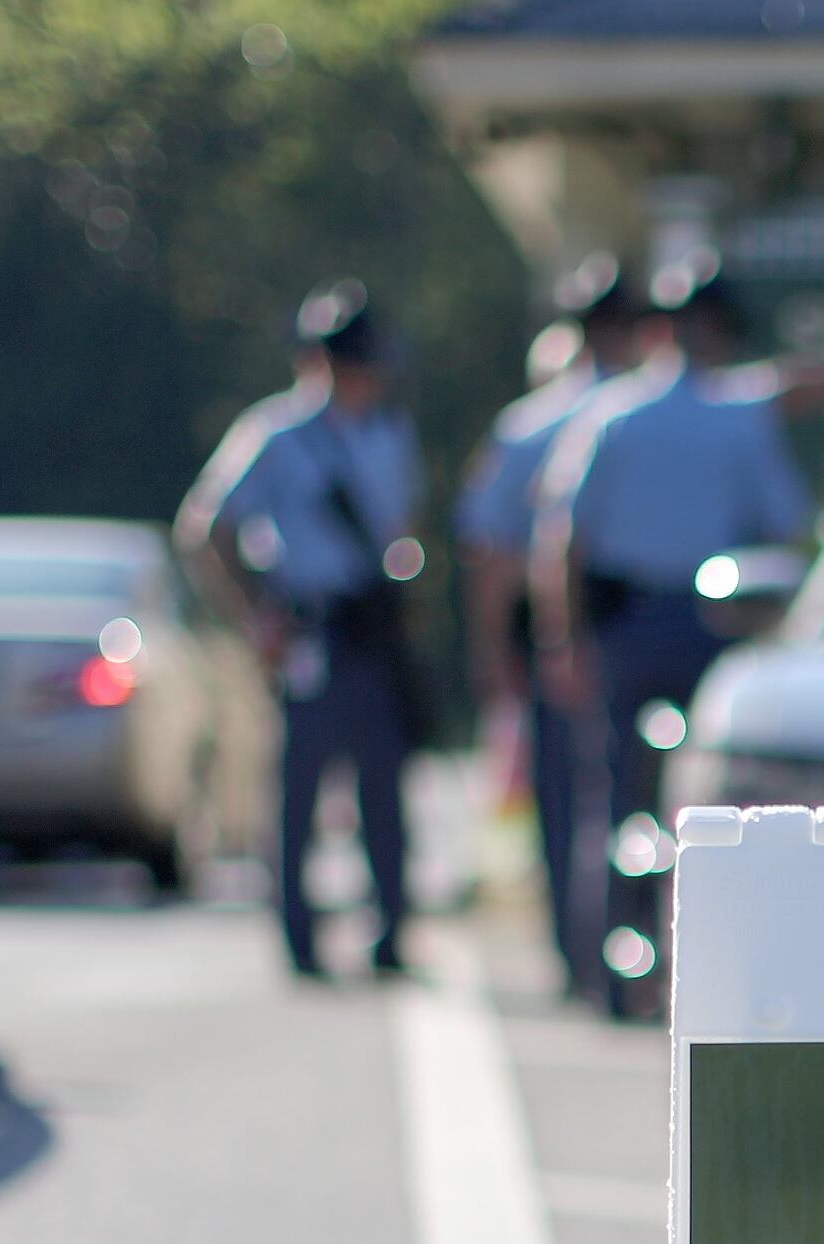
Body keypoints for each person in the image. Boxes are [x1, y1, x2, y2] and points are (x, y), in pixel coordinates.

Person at [532, 271, 813, 1017]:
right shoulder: (735, 420)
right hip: (713, 626)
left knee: (615, 799)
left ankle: (612, 978)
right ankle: (712, 978)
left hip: (626, 628)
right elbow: (784, 526)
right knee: (717, 809)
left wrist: (563, 640)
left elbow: (562, 537)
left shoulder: (610, 415)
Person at [179, 281, 427, 980]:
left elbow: (403, 530)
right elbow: (205, 528)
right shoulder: (276, 435)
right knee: (300, 792)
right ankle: (299, 937)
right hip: (308, 627)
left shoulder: (389, 433)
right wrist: (256, 613)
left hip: (370, 627)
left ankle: (391, 932)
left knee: (384, 789)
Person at [456, 259, 634, 991]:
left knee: (568, 799)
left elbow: (490, 555)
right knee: (628, 792)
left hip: (561, 633)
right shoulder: (644, 413)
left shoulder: (529, 424)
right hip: (631, 623)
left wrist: (494, 649)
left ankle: (578, 953)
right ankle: (630, 945)